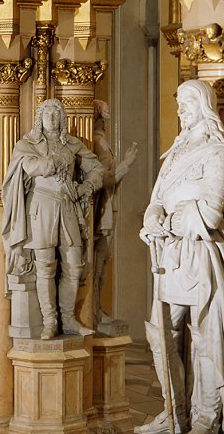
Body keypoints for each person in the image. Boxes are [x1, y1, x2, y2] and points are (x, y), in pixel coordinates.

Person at [136, 80, 224, 434]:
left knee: (207, 338)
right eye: (179, 102)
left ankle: (206, 417)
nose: (181, 109)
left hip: (202, 256)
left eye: (187, 103)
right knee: (161, 334)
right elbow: (158, 198)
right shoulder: (177, 154)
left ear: (204, 106)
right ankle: (173, 413)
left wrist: (171, 218)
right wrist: (153, 216)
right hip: (169, 256)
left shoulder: (221, 154)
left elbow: (210, 214)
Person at [2, 98, 103, 340]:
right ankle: (50, 321)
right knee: (45, 267)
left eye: (57, 112)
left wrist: (86, 186)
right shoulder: (28, 144)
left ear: (62, 118)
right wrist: (45, 164)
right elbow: (25, 166)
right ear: (39, 117)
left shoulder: (72, 144)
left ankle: (68, 319)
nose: (52, 117)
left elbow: (97, 168)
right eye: (47, 112)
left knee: (73, 265)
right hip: (41, 208)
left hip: (67, 208)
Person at [91, 99, 138, 325]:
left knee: (104, 261)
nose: (106, 121)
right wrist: (127, 163)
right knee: (98, 261)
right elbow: (102, 179)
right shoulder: (97, 140)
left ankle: (96, 308)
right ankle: (93, 310)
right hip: (101, 209)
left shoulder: (101, 140)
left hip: (108, 205)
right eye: (105, 116)